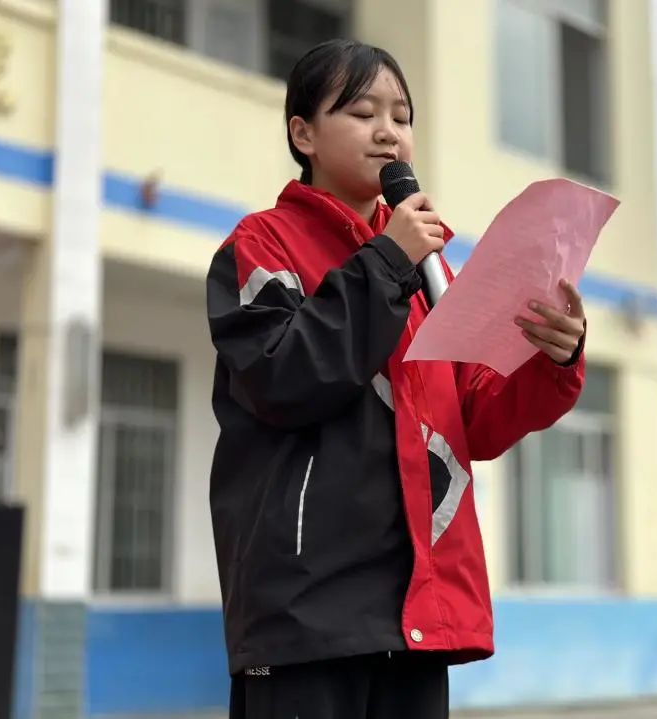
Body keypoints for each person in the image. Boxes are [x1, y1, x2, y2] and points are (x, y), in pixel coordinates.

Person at [206, 39, 587, 719]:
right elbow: (282, 377)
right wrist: (387, 261)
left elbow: (479, 420)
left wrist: (552, 359)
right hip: (307, 612)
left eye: (402, 116)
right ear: (304, 133)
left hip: (418, 607)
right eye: (361, 111)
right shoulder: (261, 246)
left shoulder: (431, 269)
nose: (389, 131)